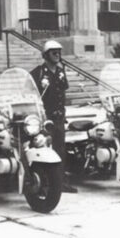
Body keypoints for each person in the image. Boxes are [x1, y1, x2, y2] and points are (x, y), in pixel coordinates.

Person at [30, 40, 77, 193]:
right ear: (45, 55)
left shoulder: (61, 71)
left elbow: (62, 93)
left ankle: (60, 182)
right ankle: (44, 182)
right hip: (45, 118)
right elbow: (31, 95)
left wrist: (63, 113)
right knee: (44, 148)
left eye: (59, 52)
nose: (57, 55)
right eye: (53, 52)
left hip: (58, 116)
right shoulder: (37, 73)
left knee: (60, 149)